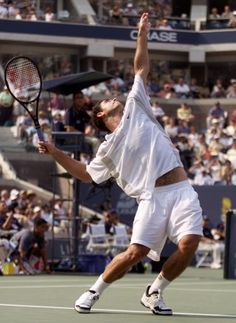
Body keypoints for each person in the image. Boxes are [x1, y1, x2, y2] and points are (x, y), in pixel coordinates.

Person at [38, 13, 202, 316]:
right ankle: (93, 291)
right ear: (100, 115)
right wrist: (55, 153)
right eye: (107, 100)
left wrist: (142, 33)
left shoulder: (136, 106)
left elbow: (141, 67)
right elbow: (86, 174)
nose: (115, 97)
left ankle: (155, 292)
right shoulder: (107, 149)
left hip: (181, 189)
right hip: (151, 198)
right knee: (135, 253)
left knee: (190, 242)